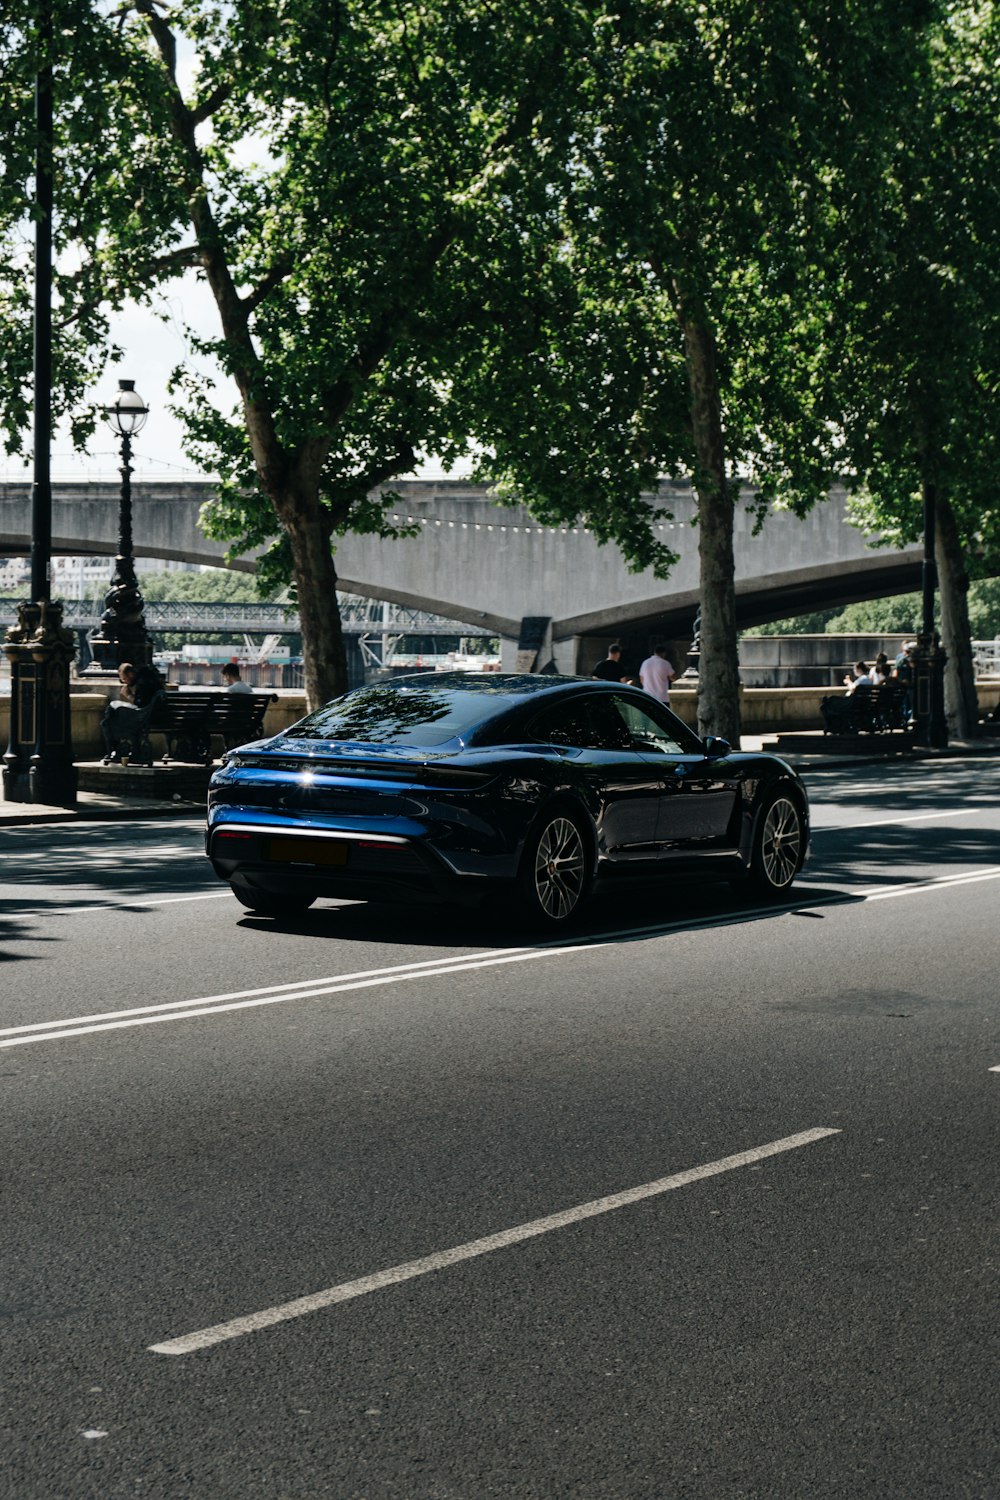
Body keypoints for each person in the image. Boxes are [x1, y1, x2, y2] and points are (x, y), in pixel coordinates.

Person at [100, 660, 165, 762]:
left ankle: (114, 751)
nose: (125, 682)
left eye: (125, 679)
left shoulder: (142, 682)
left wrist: (128, 695)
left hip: (146, 718)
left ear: (130, 674)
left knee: (108, 720)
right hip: (157, 716)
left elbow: (141, 704)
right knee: (112, 713)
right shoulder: (149, 678)